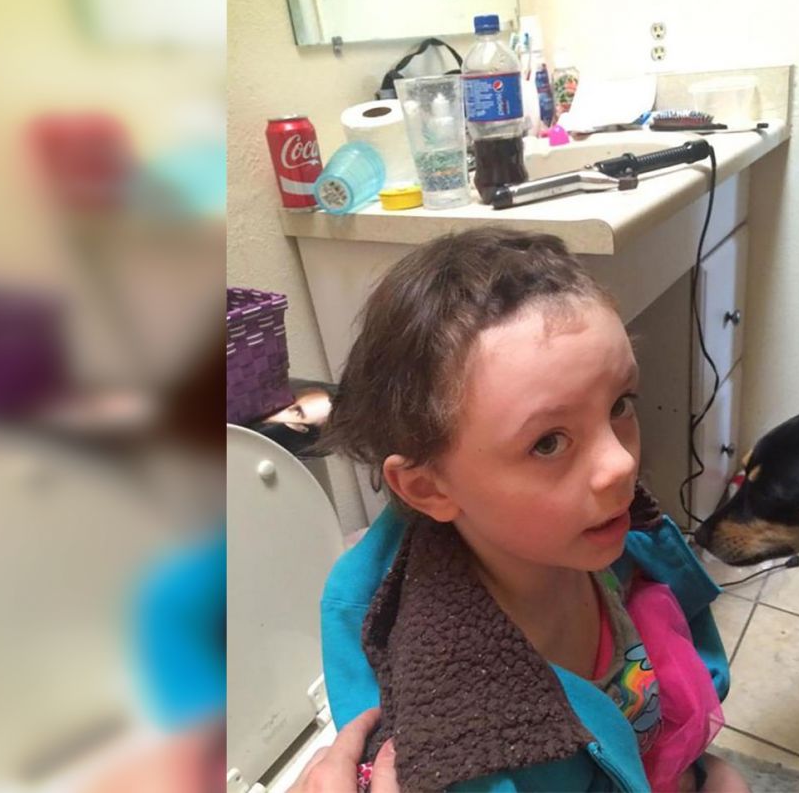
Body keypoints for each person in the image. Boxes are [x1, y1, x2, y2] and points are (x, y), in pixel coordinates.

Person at [319, 228, 749, 792]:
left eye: (620, 405)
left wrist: (698, 770)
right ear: (428, 489)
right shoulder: (453, 732)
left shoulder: (611, 545)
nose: (621, 464)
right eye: (548, 442)